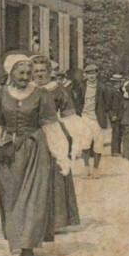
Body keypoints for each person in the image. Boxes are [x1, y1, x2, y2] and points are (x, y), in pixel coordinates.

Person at [0, 54, 71, 256]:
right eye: (21, 73)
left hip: (35, 151)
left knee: (33, 198)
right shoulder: (1, 93)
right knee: (10, 197)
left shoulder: (40, 94)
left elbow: (50, 125)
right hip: (9, 152)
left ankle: (28, 246)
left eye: (28, 73)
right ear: (10, 73)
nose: (25, 77)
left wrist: (61, 155)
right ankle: (16, 240)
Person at [32, 56, 81, 229]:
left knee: (55, 175)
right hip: (32, 136)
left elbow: (69, 115)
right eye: (36, 71)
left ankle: (56, 220)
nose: (39, 74)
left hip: (54, 135)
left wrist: (74, 139)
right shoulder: (27, 90)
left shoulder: (58, 90)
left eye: (42, 70)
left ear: (49, 72)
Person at [74, 64, 111, 178]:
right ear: (85, 75)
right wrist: (80, 114)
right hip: (85, 117)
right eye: (89, 73)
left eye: (93, 73)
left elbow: (107, 103)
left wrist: (102, 113)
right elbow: (77, 102)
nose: (91, 76)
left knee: (98, 144)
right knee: (85, 143)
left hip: (97, 119)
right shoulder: (81, 87)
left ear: (97, 74)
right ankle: (86, 169)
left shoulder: (102, 87)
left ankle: (95, 169)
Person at [108, 73, 126, 156]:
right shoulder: (111, 91)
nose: (118, 84)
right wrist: (112, 115)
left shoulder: (121, 91)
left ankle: (118, 150)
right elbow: (109, 105)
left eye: (119, 82)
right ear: (113, 82)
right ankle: (114, 151)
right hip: (115, 114)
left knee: (120, 133)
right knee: (115, 133)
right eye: (116, 82)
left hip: (121, 114)